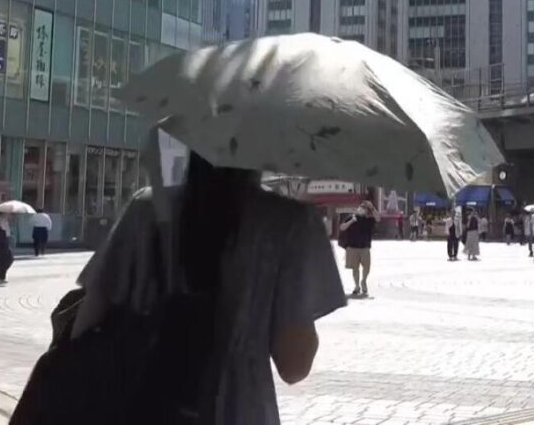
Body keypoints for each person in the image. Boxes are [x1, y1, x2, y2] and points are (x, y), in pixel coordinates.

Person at [56, 150, 344, 424]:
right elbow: (294, 366)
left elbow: (84, 326)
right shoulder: (289, 223)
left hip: (136, 403)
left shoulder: (146, 208)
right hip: (238, 410)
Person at [340, 201, 378, 297]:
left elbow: (378, 218)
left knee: (367, 267)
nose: (362, 209)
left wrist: (372, 208)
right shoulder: (351, 217)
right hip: (352, 247)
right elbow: (342, 227)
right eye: (361, 207)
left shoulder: (369, 219)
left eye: (365, 208)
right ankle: (357, 286)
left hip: (365, 247)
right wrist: (351, 221)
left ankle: (363, 280)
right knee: (355, 268)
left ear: (367, 211)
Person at [0, 213, 15, 285]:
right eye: (11, 214)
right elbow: (3, 231)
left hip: (3, 241)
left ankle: (0, 276)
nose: (12, 216)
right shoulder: (2, 219)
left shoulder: (4, 220)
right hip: (2, 242)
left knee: (3, 259)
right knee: (7, 258)